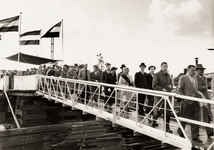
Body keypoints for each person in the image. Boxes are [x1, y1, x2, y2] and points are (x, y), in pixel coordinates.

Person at [177, 65, 202, 143]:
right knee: (185, 118)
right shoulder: (183, 78)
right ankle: (180, 131)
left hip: (195, 101)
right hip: (187, 102)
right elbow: (180, 90)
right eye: (192, 70)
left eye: (195, 70)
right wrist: (184, 99)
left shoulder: (195, 78)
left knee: (196, 119)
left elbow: (196, 89)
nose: (194, 72)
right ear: (188, 70)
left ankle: (195, 136)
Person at [152, 62, 173, 133]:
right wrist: (161, 89)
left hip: (167, 96)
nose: (166, 68)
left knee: (167, 112)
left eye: (167, 66)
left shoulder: (168, 75)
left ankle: (167, 128)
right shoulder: (157, 75)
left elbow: (171, 83)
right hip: (160, 96)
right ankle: (153, 122)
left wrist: (171, 86)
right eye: (164, 66)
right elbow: (154, 85)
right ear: (161, 67)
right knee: (158, 111)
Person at [195, 64, 213, 137]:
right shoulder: (194, 77)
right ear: (197, 70)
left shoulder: (205, 78)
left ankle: (209, 132)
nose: (202, 71)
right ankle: (195, 133)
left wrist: (208, 97)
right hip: (199, 98)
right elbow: (194, 87)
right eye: (200, 70)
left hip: (205, 98)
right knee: (197, 116)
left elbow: (206, 88)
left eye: (203, 70)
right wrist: (202, 87)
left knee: (207, 114)